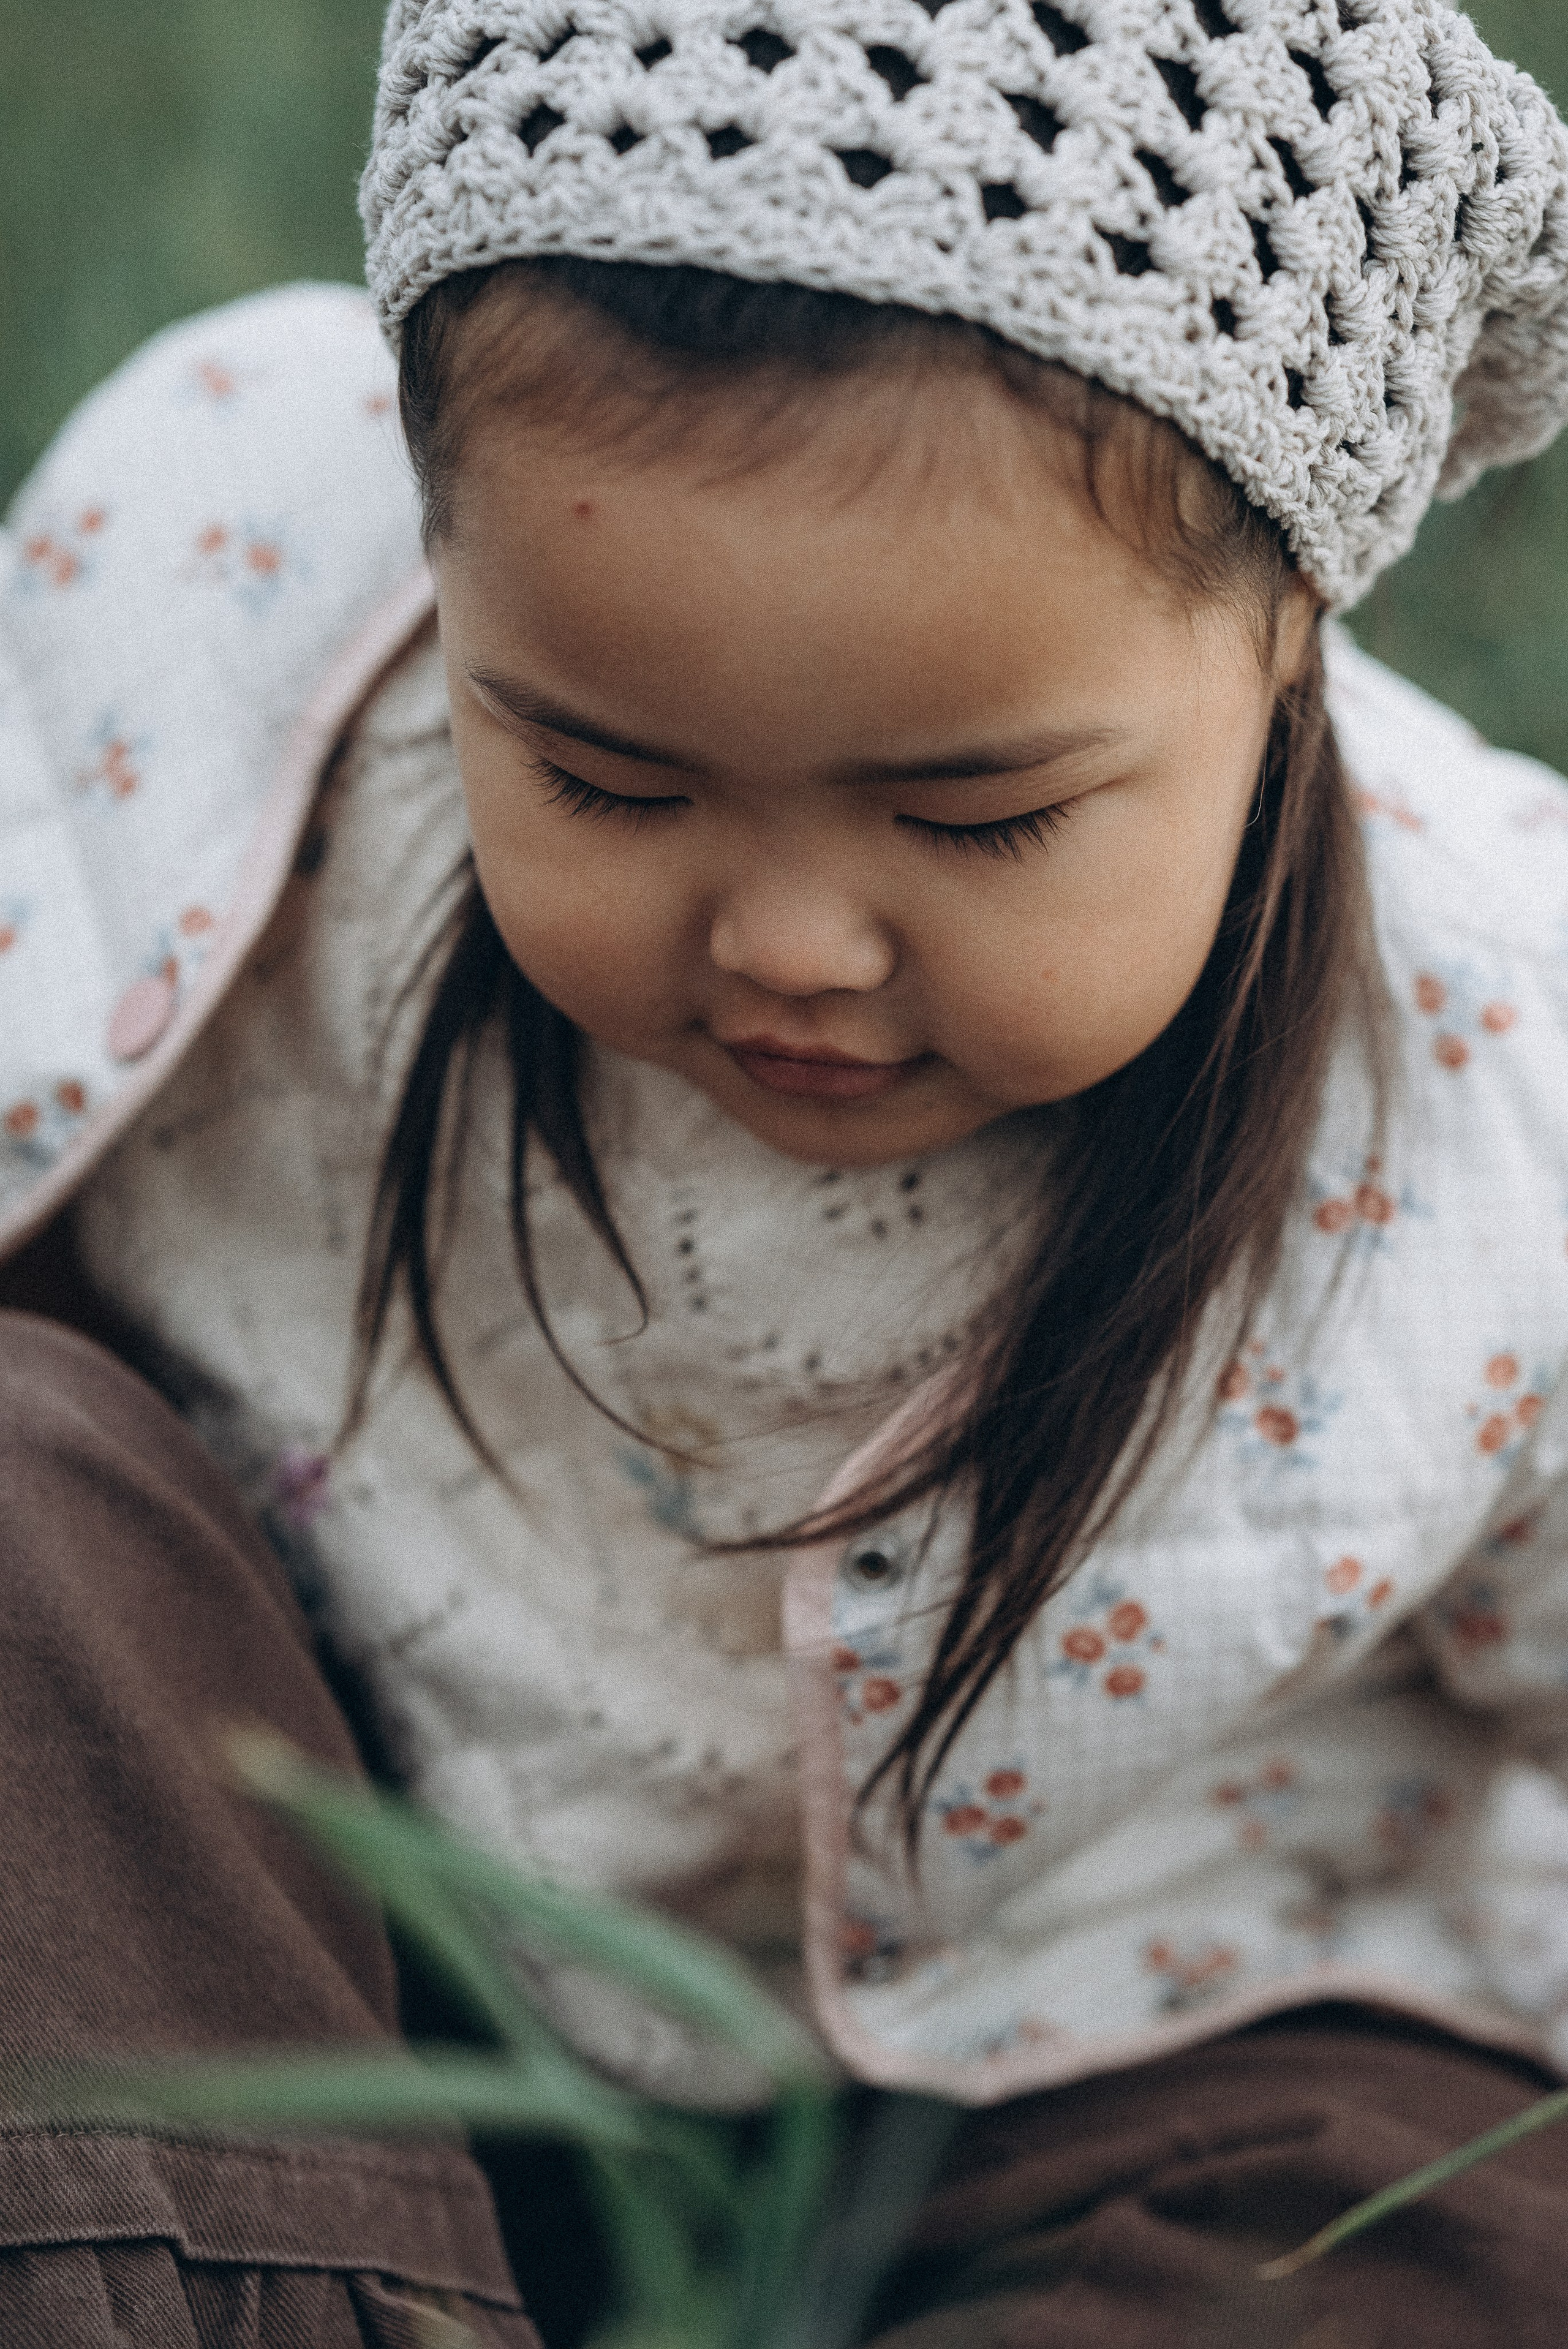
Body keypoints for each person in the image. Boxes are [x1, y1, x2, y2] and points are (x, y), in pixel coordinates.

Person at [4, 0, 1568, 2337]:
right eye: (609, 781)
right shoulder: (240, 625)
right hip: (324, 1924)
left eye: (977, 817)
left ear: (1289, 637)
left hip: (1104, 2028)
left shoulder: (1498, 1084)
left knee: (1450, 2208)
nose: (795, 944)